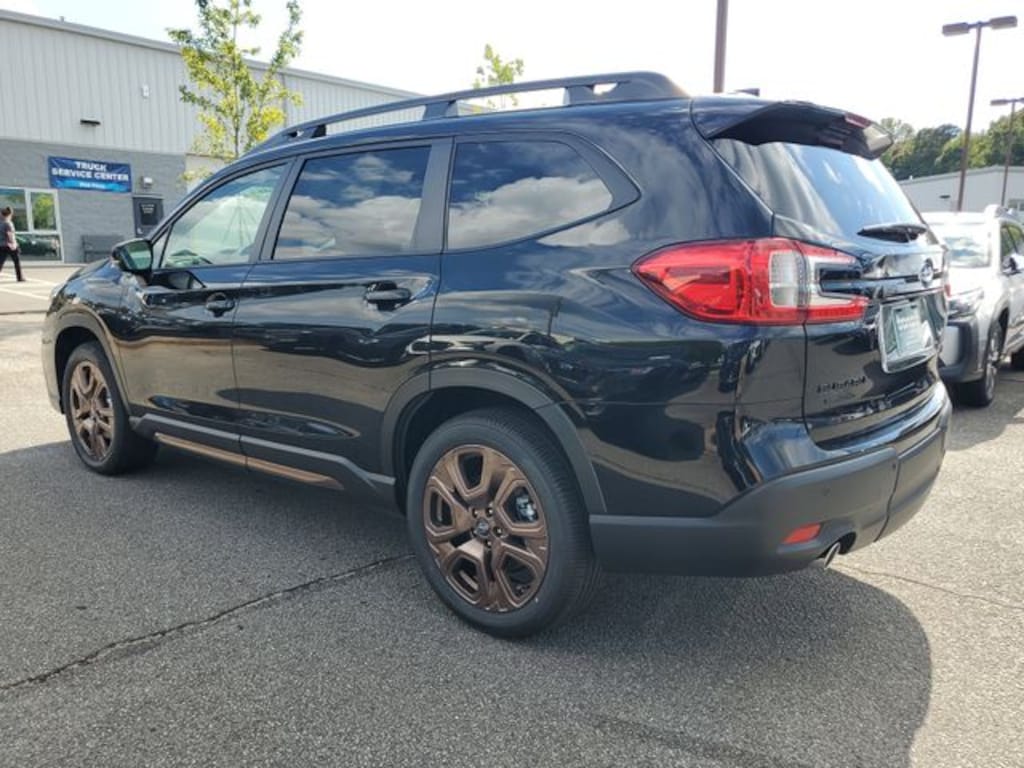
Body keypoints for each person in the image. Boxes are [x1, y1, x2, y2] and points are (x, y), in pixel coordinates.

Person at [0, 206, 25, 282]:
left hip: (1, 245)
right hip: (9, 246)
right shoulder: (8, 223)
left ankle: (20, 277)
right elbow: (10, 234)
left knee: (0, 262)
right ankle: (19, 277)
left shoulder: (1, 223)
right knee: (16, 262)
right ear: (10, 214)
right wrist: (14, 244)